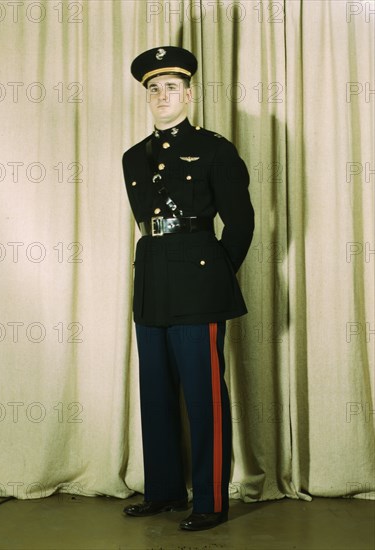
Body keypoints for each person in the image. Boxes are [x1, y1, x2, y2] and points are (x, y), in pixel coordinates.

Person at [122, 46, 254, 531]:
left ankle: (211, 501)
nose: (161, 95)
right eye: (153, 88)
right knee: (155, 393)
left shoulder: (216, 148)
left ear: (190, 94)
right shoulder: (133, 157)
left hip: (199, 280)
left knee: (204, 395)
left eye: (171, 87)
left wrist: (215, 275)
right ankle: (164, 491)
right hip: (152, 276)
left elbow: (241, 222)